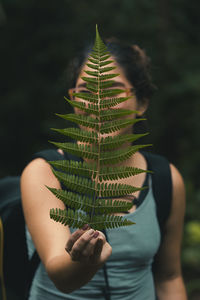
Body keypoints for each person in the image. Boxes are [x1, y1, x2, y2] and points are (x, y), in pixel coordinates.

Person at [21, 38, 188, 300]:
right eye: (86, 92)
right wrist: (85, 261)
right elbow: (61, 277)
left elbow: (169, 276)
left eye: (112, 91)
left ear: (141, 102)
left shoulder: (166, 179)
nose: (99, 103)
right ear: (74, 101)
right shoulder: (45, 172)